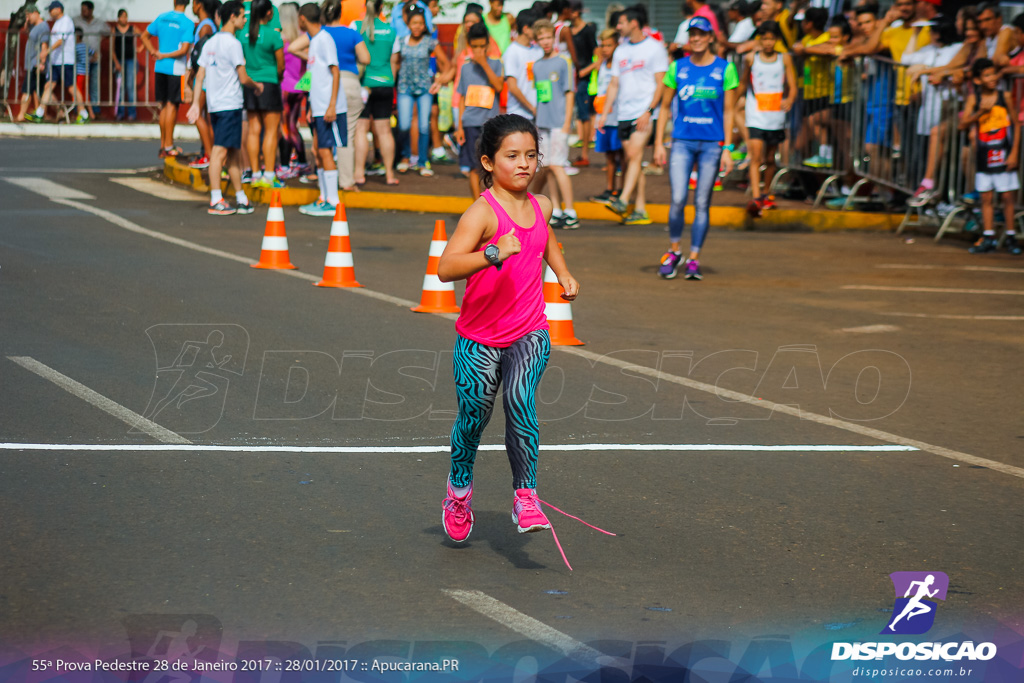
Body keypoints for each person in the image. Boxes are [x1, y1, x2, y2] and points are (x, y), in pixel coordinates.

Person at [435, 113, 583, 552]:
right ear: (488, 161)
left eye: (531, 155)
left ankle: (526, 497)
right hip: (478, 338)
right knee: (474, 418)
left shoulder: (542, 205)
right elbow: (446, 267)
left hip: (529, 331)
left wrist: (563, 273)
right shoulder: (482, 213)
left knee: (520, 400)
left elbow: (546, 240)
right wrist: (494, 251)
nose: (524, 164)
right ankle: (459, 493)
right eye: (512, 156)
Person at [654, 16, 737, 281]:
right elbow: (664, 107)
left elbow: (729, 111)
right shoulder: (677, 68)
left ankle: (694, 257)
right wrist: (658, 143)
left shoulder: (725, 69)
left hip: (712, 143)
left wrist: (728, 148)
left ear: (711, 37)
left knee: (702, 201)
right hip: (682, 141)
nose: (697, 38)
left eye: (702, 34)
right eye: (693, 34)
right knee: (678, 199)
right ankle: (674, 250)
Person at [596, 4, 669, 226]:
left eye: (621, 23)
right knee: (632, 161)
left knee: (634, 157)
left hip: (644, 113)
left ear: (634, 23)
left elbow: (661, 84)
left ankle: (623, 199)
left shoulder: (655, 48)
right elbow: (615, 84)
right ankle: (640, 209)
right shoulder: (622, 50)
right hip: (623, 114)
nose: (618, 26)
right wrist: (604, 113)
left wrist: (649, 111)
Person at [187, 0, 260, 216]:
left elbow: (199, 75)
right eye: (242, 16)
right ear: (232, 17)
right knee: (219, 153)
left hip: (216, 106)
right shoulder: (233, 44)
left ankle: (241, 198)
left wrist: (194, 104)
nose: (245, 19)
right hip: (230, 105)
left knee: (234, 153)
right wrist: (257, 86)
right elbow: (243, 76)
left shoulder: (210, 43)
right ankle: (216, 199)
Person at [959, 58, 1022, 255]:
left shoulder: (1005, 96)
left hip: (1004, 152)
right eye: (987, 75)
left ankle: (1011, 236)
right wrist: (980, 112)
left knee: (1007, 196)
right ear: (977, 80)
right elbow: (962, 125)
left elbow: (1016, 125)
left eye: (994, 73)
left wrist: (1014, 152)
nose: (992, 78)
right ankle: (988, 236)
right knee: (986, 197)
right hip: (984, 155)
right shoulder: (974, 99)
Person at [738, 20, 795, 216]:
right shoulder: (751, 59)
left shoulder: (784, 59)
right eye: (765, 38)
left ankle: (766, 193)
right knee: (756, 157)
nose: (768, 42)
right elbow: (743, 82)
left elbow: (793, 86)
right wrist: (731, 103)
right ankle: (756, 197)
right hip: (756, 115)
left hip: (775, 116)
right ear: (760, 40)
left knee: (770, 158)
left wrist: (790, 99)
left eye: (772, 38)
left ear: (777, 40)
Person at [298, 0, 347, 217]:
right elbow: (313, 77)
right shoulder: (315, 41)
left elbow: (335, 72)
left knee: (326, 151)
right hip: (317, 107)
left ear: (302, 19)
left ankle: (332, 200)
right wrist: (310, 105)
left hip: (328, 107)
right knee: (318, 150)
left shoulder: (324, 39)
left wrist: (331, 105)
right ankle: (323, 196)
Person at [531, 19, 578, 229]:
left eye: (548, 37)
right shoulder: (538, 66)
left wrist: (567, 122)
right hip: (543, 123)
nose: (545, 41)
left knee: (559, 166)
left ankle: (571, 210)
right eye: (541, 38)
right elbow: (541, 95)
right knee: (548, 167)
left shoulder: (563, 62)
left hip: (560, 122)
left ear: (554, 37)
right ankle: (556, 209)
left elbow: (569, 94)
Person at [393, 7, 451, 176]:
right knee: (403, 124)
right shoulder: (401, 41)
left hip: (425, 89)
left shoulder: (430, 42)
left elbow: (446, 64)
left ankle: (422, 160)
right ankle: (405, 157)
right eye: (414, 23)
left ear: (424, 25)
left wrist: (440, 80)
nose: (417, 26)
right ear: (408, 24)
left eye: (420, 23)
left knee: (424, 126)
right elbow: (395, 63)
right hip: (404, 87)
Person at [322, 0, 370, 192]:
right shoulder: (352, 34)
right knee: (347, 135)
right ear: (341, 13)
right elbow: (366, 58)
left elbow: (294, 48)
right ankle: (347, 181)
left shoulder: (320, 34)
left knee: (323, 135)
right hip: (350, 83)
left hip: (326, 85)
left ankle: (325, 180)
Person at [456, 21, 504, 199]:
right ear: (469, 46)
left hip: (491, 124)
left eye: (482, 46)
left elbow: (499, 86)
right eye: (474, 47)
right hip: (470, 124)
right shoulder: (466, 67)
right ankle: (478, 205)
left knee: (493, 166)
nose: (478, 51)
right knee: (474, 167)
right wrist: (459, 126)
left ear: (488, 45)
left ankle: (495, 205)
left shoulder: (496, 64)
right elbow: (461, 97)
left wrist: (484, 64)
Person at [141, 0, 195, 158]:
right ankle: (169, 145)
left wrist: (154, 52)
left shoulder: (162, 17)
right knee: (172, 106)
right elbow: (184, 50)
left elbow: (144, 36)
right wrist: (165, 55)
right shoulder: (187, 22)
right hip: (175, 69)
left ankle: (163, 145)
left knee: (163, 106)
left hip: (160, 67)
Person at [241, 0, 285, 188]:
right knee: (271, 130)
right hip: (269, 83)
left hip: (250, 84)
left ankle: (255, 174)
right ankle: (268, 175)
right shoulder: (273, 36)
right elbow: (281, 66)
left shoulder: (242, 34)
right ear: (268, 13)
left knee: (254, 129)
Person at [354, 0, 398, 185]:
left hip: (364, 84)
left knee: (361, 130)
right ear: (382, 8)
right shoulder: (391, 31)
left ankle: (359, 174)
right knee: (384, 131)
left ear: (365, 7)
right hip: (385, 83)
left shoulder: (356, 27)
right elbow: (395, 62)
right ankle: (389, 174)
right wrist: (390, 82)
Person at [590, 27, 623, 206]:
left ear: (617, 45)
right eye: (603, 45)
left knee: (622, 156)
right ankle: (610, 189)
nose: (605, 49)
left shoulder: (620, 65)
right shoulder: (601, 64)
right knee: (609, 156)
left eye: (609, 45)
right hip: (604, 116)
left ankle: (622, 190)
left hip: (618, 116)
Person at [184, 0, 217, 169]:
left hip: (202, 76)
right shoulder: (208, 25)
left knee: (196, 114)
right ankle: (208, 151)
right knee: (205, 116)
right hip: (205, 76)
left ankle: (209, 154)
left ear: (200, 4)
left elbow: (198, 56)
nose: (192, 5)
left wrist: (191, 76)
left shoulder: (205, 27)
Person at [278, 2, 310, 180]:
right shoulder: (303, 38)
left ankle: (284, 165)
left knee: (285, 127)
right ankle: (302, 162)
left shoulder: (281, 40)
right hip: (299, 88)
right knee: (292, 126)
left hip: (284, 88)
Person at [38, 1, 83, 122]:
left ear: (58, 9)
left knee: (71, 88)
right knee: (48, 85)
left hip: (66, 60)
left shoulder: (66, 21)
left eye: (51, 9)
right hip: (56, 61)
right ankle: (40, 112)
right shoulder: (57, 23)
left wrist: (46, 52)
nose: (49, 12)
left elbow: (60, 41)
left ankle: (83, 112)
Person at [568, 0, 598, 168]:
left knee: (585, 116)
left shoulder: (587, 30)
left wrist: (586, 71)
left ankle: (585, 154)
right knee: (580, 116)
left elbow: (598, 57)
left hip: (583, 80)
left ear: (578, 11)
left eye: (572, 10)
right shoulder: (566, 30)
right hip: (572, 78)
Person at [503, 10, 542, 121]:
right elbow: (513, 87)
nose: (538, 32)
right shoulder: (512, 52)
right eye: (536, 28)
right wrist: (532, 108)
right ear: (525, 29)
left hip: (537, 114)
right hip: (518, 114)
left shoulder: (538, 50)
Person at [16, 4, 49, 123]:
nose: (28, 18)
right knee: (40, 90)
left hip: (35, 64)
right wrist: (27, 21)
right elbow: (25, 30)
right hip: (32, 63)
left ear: (35, 13)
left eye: (29, 15)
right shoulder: (35, 26)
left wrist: (42, 62)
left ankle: (20, 115)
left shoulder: (43, 27)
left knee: (27, 90)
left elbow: (44, 46)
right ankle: (58, 112)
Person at [73, 0, 103, 118]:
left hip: (84, 70)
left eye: (85, 10)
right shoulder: (76, 21)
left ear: (91, 10)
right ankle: (87, 112)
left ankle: (88, 111)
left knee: (85, 90)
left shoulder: (99, 23)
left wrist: (93, 58)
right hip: (83, 70)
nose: (82, 12)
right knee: (84, 92)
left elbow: (109, 31)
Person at [111, 8, 138, 121]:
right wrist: (116, 62)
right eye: (122, 16)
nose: (124, 19)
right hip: (120, 61)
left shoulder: (132, 28)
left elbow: (143, 36)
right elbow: (112, 49)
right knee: (120, 87)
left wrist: (140, 48)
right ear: (118, 18)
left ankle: (132, 113)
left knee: (130, 86)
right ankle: (120, 113)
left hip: (130, 60)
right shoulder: (114, 30)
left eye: (125, 16)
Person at [72, 26, 94, 120]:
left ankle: (79, 113)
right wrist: (88, 62)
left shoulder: (76, 47)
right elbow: (94, 54)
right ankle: (91, 114)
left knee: (77, 93)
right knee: (86, 94)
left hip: (79, 74)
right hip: (87, 73)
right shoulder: (86, 46)